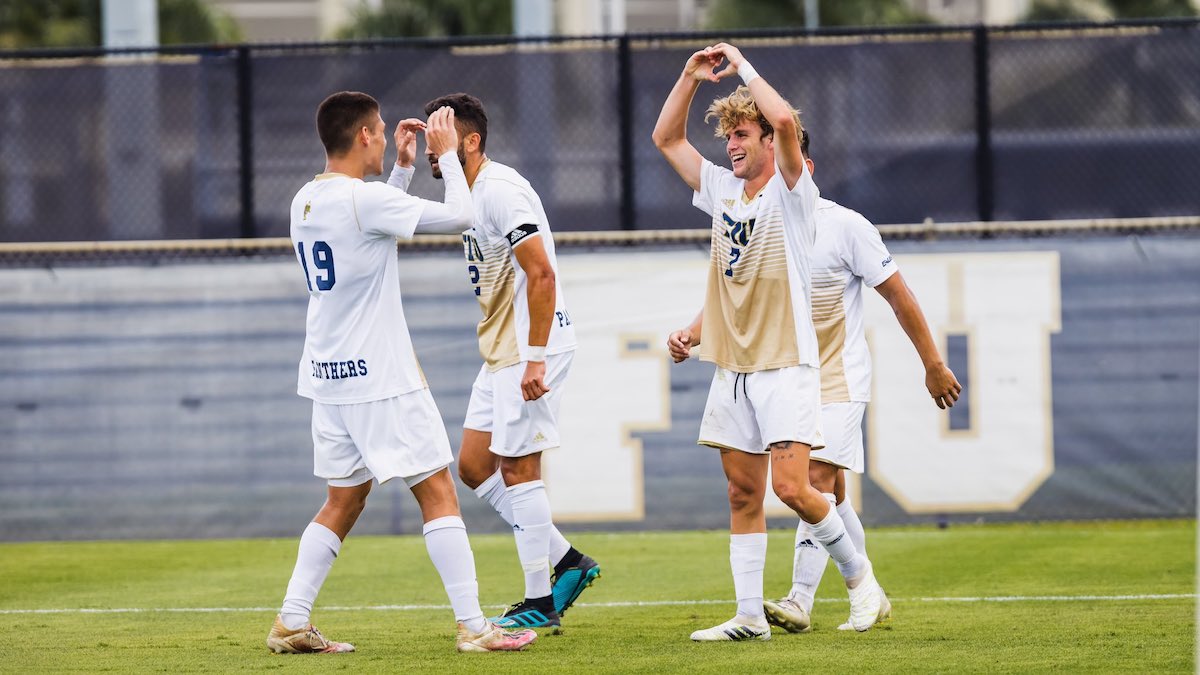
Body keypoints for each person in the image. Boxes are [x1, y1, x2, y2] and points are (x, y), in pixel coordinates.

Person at [267, 91, 537, 655]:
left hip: (327, 375)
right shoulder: (362, 201)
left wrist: (404, 170)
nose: (388, 136)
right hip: (380, 377)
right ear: (363, 135)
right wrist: (443, 155)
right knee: (438, 488)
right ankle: (474, 626)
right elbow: (458, 215)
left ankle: (292, 619)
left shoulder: (306, 199)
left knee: (343, 498)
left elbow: (370, 227)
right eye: (383, 131)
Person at [653, 43, 885, 641]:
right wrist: (689, 76)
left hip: (785, 362)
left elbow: (785, 121)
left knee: (792, 488)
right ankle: (750, 617)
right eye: (728, 135)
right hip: (732, 366)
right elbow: (667, 139)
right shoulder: (722, 190)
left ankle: (863, 583)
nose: (731, 144)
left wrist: (741, 65)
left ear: (767, 143)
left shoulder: (793, 193)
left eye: (742, 134)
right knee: (742, 491)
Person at [385, 92, 599, 631]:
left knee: (519, 467)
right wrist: (406, 165)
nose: (436, 150)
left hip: (530, 348)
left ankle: (540, 603)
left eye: (442, 137)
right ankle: (569, 563)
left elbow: (542, 274)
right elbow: (401, 220)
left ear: (471, 141)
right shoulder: (466, 192)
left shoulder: (500, 191)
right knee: (475, 465)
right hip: (503, 348)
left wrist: (534, 360)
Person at [759, 130, 962, 633]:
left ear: (806, 167)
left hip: (838, 378)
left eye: (789, 165)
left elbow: (899, 295)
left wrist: (932, 363)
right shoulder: (763, 226)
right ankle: (874, 594)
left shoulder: (846, 226)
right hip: (790, 380)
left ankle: (803, 600)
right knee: (835, 499)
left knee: (812, 484)